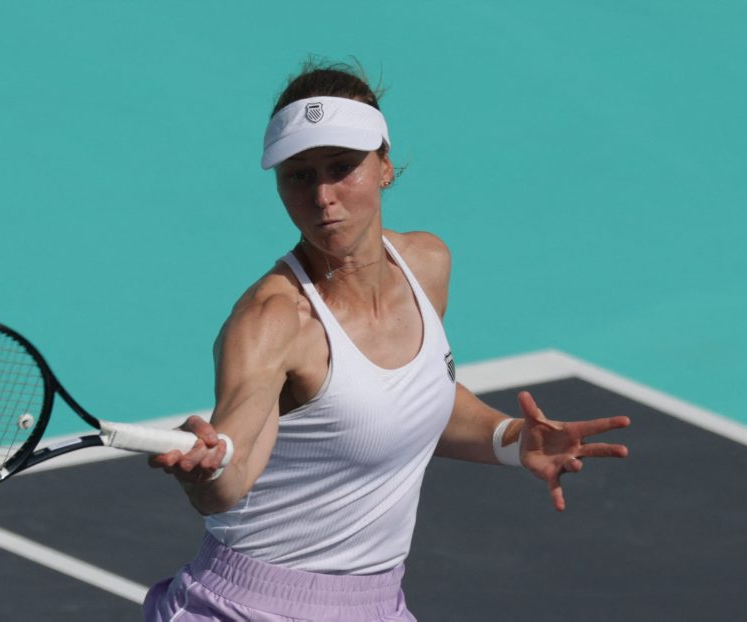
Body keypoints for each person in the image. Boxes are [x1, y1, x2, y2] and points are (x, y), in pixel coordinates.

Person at [142, 60, 630, 622]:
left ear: (385, 166)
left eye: (341, 168)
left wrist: (510, 438)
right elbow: (230, 480)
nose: (323, 195)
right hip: (246, 609)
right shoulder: (272, 321)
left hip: (377, 606)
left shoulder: (426, 264)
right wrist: (206, 471)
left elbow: (406, 400)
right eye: (299, 175)